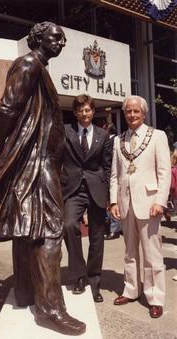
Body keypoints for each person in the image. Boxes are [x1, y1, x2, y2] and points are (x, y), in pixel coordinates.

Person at [0, 22, 85, 335]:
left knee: (27, 227)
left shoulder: (39, 67)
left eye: (63, 37)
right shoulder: (29, 64)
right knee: (50, 232)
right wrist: (6, 152)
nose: (61, 41)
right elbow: (7, 108)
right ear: (38, 38)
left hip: (39, 161)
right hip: (32, 161)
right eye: (56, 36)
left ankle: (28, 292)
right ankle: (50, 309)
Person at [110, 95, 171, 318]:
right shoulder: (118, 140)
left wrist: (160, 201)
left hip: (149, 203)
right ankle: (131, 289)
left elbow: (164, 173)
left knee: (152, 254)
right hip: (126, 204)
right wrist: (114, 200)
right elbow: (115, 175)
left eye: (136, 111)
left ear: (143, 114)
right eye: (128, 111)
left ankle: (155, 297)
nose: (132, 115)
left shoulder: (157, 136)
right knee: (129, 252)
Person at [61, 94, 112, 302]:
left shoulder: (103, 135)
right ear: (75, 113)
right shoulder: (65, 131)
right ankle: (79, 275)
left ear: (93, 111)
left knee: (97, 236)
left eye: (88, 110)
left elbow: (108, 166)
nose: (85, 113)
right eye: (81, 110)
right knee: (69, 225)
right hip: (73, 189)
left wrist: (108, 193)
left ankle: (94, 281)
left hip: (96, 188)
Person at [103, 123, 122, 240]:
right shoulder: (109, 141)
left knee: (113, 201)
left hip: (113, 176)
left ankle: (115, 230)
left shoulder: (115, 141)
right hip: (107, 176)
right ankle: (114, 227)